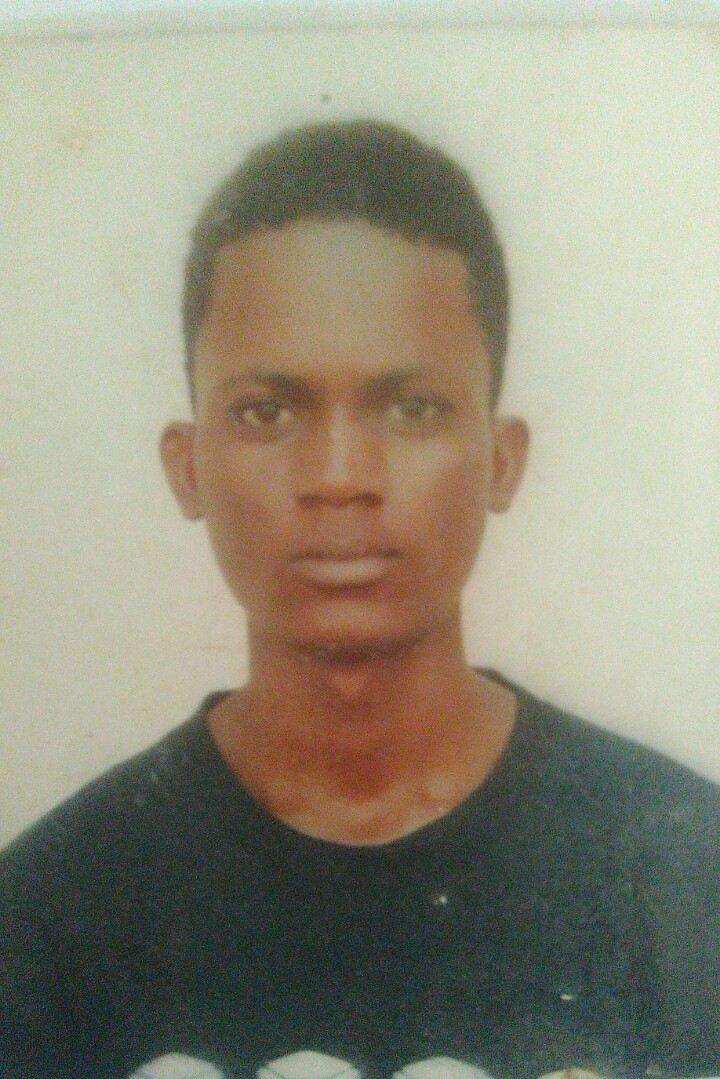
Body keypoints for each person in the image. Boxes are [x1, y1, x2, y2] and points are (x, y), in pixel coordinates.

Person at [0, 119, 718, 1079]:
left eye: (412, 408)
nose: (340, 476)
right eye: (268, 411)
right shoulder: (44, 920)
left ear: (502, 460)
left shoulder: (688, 875)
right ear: (188, 465)